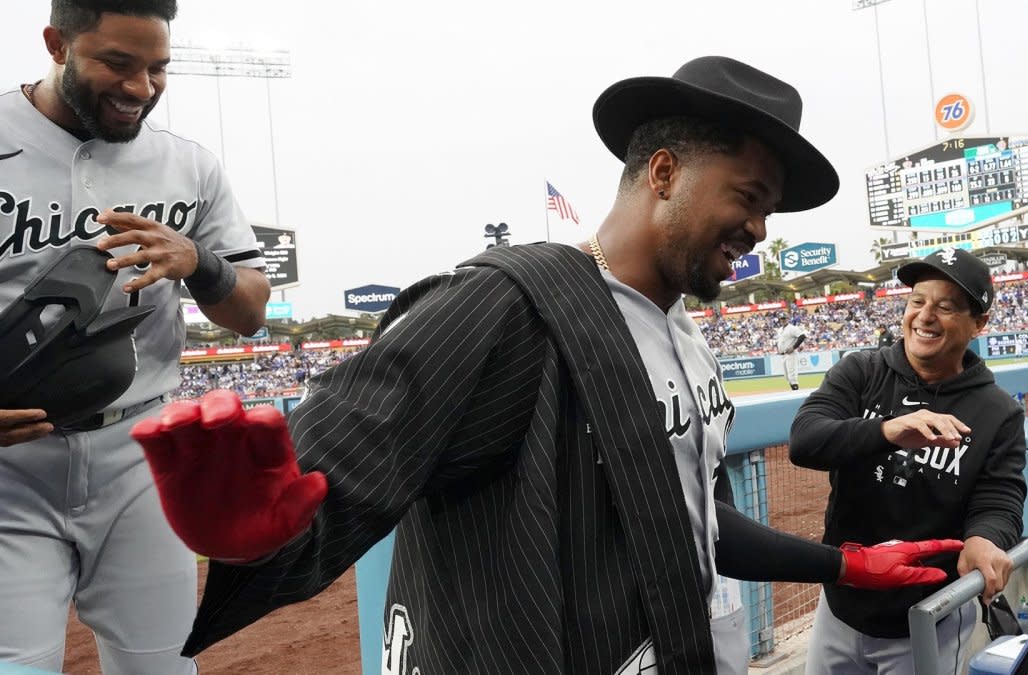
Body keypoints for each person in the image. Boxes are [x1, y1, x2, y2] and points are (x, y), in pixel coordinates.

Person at [130, 56, 962, 675]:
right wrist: (258, 531)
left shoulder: (691, 339)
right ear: (665, 172)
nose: (760, 229)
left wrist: (842, 562)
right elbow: (350, 448)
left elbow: (697, 529)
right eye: (748, 197)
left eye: (769, 210)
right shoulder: (511, 304)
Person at [0, 2, 270, 672]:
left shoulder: (190, 167)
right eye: (117, 63)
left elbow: (251, 310)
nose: (140, 88)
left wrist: (200, 263)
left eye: (157, 68)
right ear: (56, 43)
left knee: (163, 665)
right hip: (8, 470)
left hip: (141, 459)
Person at [789, 247, 1027, 675]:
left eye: (947, 306)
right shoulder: (860, 372)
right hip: (841, 602)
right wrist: (886, 430)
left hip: (930, 613)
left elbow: (1000, 496)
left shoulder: (997, 410)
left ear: (979, 323)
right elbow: (805, 441)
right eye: (918, 300)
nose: (925, 315)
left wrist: (985, 537)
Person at [776, 314, 806, 390]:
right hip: (783, 354)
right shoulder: (780, 330)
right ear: (779, 320)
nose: (783, 320)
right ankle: (794, 391)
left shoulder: (792, 328)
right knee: (787, 376)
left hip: (791, 354)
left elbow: (802, 336)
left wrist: (794, 347)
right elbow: (781, 341)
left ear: (787, 319)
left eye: (784, 318)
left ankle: (796, 395)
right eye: (781, 319)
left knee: (792, 376)